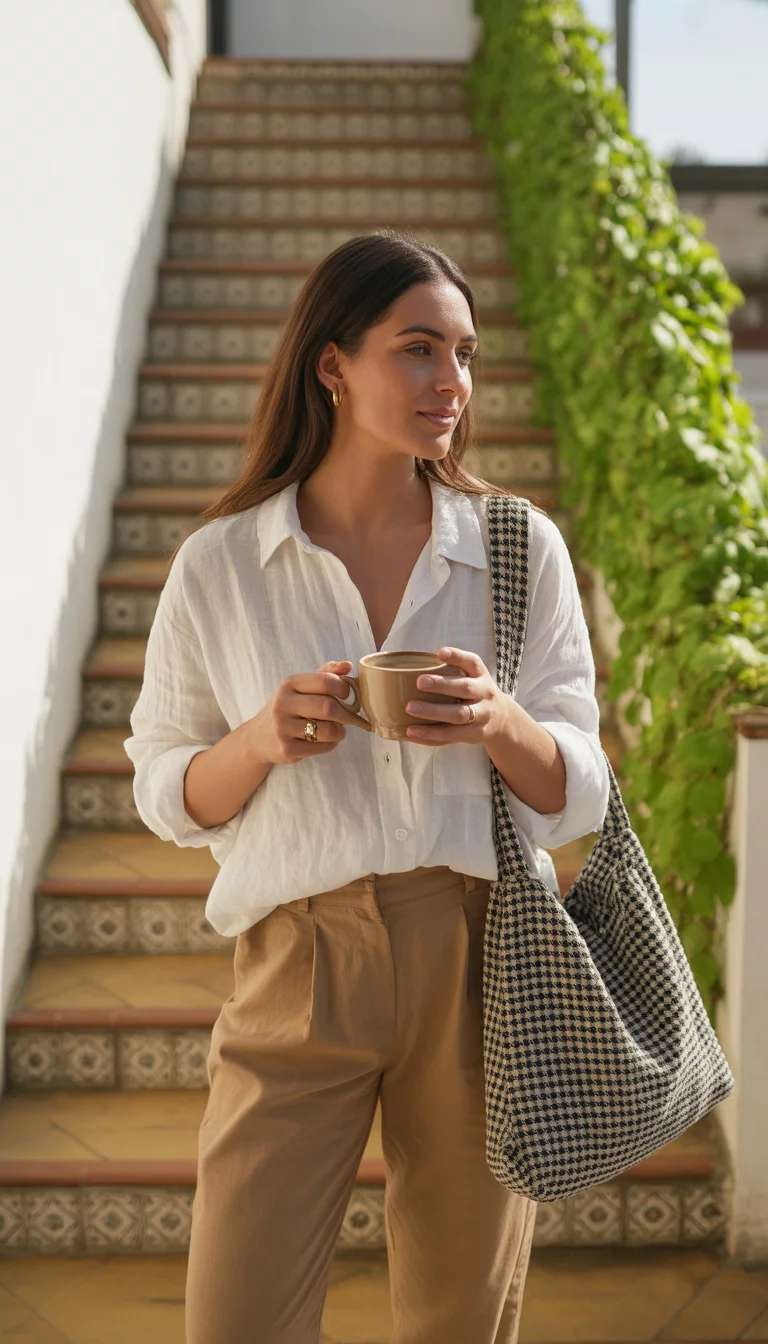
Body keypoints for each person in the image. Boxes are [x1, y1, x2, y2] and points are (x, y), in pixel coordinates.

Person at [124, 229, 610, 1344]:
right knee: (237, 1316)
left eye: (466, 355)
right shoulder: (224, 565)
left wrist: (497, 721)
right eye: (419, 350)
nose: (454, 384)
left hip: (480, 957)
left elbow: (578, 792)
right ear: (332, 364)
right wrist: (256, 741)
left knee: (457, 1320)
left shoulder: (514, 548)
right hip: (298, 962)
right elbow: (164, 789)